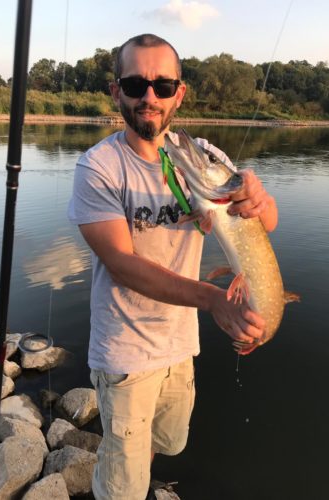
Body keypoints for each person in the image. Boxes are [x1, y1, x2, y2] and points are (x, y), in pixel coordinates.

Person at [68, 33, 278, 500]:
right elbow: (122, 263)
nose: (149, 97)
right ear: (116, 90)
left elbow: (269, 221)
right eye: (135, 83)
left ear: (179, 93)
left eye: (163, 86)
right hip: (124, 354)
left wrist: (259, 201)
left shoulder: (203, 155)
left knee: (165, 444)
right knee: (120, 483)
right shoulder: (99, 168)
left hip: (180, 347)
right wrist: (212, 300)